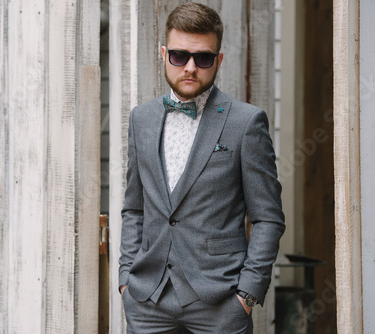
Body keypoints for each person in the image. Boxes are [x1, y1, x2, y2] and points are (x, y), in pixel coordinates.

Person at [118, 2, 285, 333]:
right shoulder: (142, 119)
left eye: (203, 58)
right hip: (147, 301)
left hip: (220, 303)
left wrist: (247, 294)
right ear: (164, 54)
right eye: (179, 56)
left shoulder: (246, 122)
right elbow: (134, 208)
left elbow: (268, 217)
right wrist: (126, 279)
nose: (190, 67)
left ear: (218, 60)